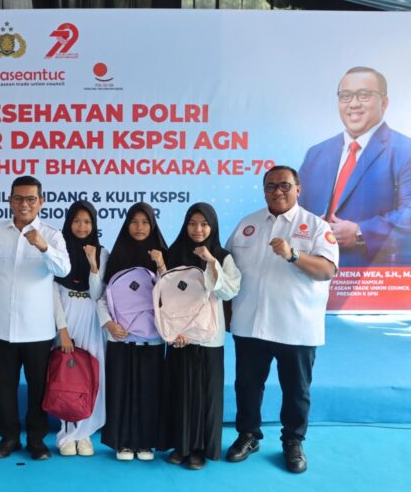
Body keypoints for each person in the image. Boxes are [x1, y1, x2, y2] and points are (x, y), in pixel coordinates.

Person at [225, 166, 338, 474]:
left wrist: (293, 255)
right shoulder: (247, 224)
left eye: (285, 185)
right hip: (250, 323)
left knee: (296, 390)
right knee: (247, 386)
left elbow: (327, 270)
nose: (277, 191)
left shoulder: (315, 226)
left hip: (296, 326)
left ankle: (293, 441)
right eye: (271, 186)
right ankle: (248, 435)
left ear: (298, 189)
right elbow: (226, 268)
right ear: (264, 191)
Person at [0, 176, 71, 461]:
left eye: (31, 199)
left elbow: (64, 270)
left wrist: (44, 247)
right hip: (3, 327)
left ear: (41, 202)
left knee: (37, 389)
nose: (24, 204)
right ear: (10, 201)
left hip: (38, 330)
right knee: (5, 388)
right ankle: (8, 438)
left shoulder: (52, 235)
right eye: (18, 198)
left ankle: (36, 440)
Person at [298, 66, 411, 267]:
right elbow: (296, 212)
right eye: (346, 96)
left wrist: (361, 233)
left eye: (364, 95)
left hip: (374, 278)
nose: (354, 104)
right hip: (315, 274)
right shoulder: (316, 154)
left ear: (384, 102)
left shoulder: (405, 150)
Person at [158, 203, 241, 470]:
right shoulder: (174, 254)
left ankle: (199, 449)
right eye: (192, 223)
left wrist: (211, 262)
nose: (198, 229)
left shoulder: (222, 256)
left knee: (206, 395)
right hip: (180, 337)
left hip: (208, 337)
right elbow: (164, 296)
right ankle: (180, 446)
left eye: (204, 224)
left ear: (212, 227)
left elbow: (229, 291)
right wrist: (172, 332)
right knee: (179, 392)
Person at [98, 202, 168, 462]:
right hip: (122, 339)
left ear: (153, 225)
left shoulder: (164, 256)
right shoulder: (115, 257)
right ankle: (124, 443)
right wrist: (109, 324)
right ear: (126, 224)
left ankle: (146, 442)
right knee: (121, 390)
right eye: (134, 221)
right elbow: (101, 297)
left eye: (145, 222)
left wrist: (161, 265)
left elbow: (171, 297)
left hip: (152, 340)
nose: (139, 227)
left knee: (149, 392)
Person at [52, 201, 108, 457]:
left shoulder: (102, 252)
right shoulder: (59, 250)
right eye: (76, 221)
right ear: (69, 223)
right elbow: (53, 291)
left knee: (92, 374)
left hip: (92, 320)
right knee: (67, 375)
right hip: (67, 317)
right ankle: (66, 434)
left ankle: (84, 433)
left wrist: (93, 264)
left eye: (87, 222)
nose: (82, 226)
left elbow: (97, 294)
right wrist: (62, 329)